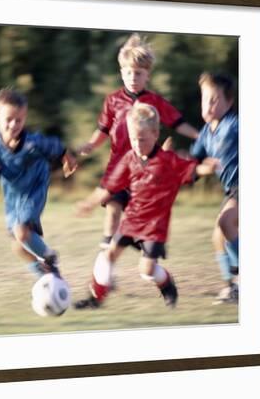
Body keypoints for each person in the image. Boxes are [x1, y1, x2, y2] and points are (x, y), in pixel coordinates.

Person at [73, 102, 217, 309]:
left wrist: (206, 169)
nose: (137, 144)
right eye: (132, 139)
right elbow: (108, 187)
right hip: (132, 219)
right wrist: (89, 203)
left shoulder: (168, 160)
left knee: (146, 270)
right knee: (109, 254)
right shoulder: (129, 159)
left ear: (155, 133)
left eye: (142, 139)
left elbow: (191, 169)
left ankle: (167, 285)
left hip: (155, 226)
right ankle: (96, 299)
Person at [77, 34, 199, 265]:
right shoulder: (112, 101)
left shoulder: (155, 101)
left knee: (141, 223)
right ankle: (106, 264)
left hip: (146, 170)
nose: (133, 77)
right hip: (118, 168)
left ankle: (149, 253)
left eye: (139, 73)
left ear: (147, 75)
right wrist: (92, 144)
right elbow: (102, 129)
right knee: (112, 209)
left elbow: (177, 122)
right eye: (128, 72)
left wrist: (200, 135)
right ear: (122, 73)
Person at [0, 88, 78, 278]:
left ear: (24, 119)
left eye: (19, 120)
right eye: (9, 119)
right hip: (13, 199)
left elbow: (57, 146)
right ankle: (47, 277)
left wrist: (68, 159)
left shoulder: (33, 142)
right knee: (18, 246)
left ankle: (50, 257)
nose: (14, 124)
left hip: (34, 191)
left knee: (22, 233)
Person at [190, 72, 239, 304]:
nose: (208, 105)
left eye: (214, 99)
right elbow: (193, 168)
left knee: (226, 222)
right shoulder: (205, 134)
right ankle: (232, 288)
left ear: (229, 102)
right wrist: (170, 158)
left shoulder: (235, 124)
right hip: (232, 191)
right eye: (204, 99)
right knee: (217, 237)